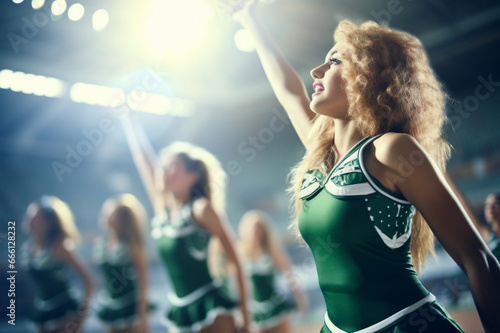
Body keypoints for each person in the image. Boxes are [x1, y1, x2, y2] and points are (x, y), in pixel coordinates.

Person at [232, 1, 500, 332]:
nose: (316, 72)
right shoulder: (322, 157)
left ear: (367, 75)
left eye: (333, 62)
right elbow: (289, 92)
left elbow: (478, 258)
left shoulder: (392, 150)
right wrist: (247, 19)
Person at [120, 116, 252, 333]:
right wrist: (129, 119)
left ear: (192, 176)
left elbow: (236, 259)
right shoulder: (162, 210)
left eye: (173, 166)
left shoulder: (200, 209)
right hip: (180, 310)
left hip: (212, 307)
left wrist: (247, 318)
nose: (163, 170)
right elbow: (143, 160)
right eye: (163, 166)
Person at [21, 195, 94, 333]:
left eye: (35, 216)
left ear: (48, 223)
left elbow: (89, 281)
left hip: (64, 313)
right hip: (42, 311)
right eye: (29, 215)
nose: (29, 219)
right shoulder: (28, 249)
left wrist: (81, 320)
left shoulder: (59, 248)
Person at [238, 210, 308, 333]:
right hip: (257, 309)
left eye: (259, 228)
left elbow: (290, 276)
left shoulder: (272, 252)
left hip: (276, 305)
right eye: (254, 228)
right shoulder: (242, 254)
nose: (256, 232)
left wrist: (300, 299)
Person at [93, 193, 150, 333]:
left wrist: (142, 317)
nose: (106, 216)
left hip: (130, 307)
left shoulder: (131, 246)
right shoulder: (102, 245)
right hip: (112, 305)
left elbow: (143, 283)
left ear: (122, 219)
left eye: (111, 213)